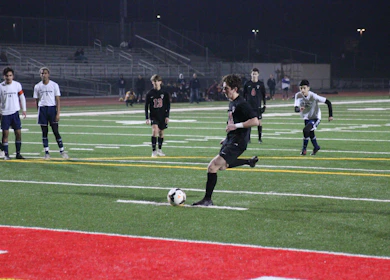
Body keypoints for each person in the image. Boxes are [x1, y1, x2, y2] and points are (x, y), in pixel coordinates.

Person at [192, 74, 259, 206]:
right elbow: (233, 123)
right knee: (222, 166)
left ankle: (207, 199)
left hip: (238, 142)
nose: (223, 91)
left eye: (226, 88)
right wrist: (227, 137)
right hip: (231, 139)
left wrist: (236, 126)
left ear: (234, 89)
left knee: (212, 167)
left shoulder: (242, 103)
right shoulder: (232, 103)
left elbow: (255, 121)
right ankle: (248, 161)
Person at [33, 67, 69, 160]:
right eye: (42, 73)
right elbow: (37, 101)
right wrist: (39, 112)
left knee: (56, 131)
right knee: (44, 132)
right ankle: (46, 152)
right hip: (42, 110)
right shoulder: (37, 86)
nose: (43, 75)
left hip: (52, 109)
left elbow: (58, 100)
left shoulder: (54, 85)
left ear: (48, 74)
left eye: (45, 73)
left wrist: (58, 113)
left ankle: (62, 151)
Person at [294, 79, 333, 156]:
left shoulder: (313, 96)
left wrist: (330, 115)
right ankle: (316, 147)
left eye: (304, 88)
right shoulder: (298, 95)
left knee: (306, 130)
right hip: (306, 117)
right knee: (310, 133)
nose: (302, 90)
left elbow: (328, 102)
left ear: (308, 88)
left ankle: (304, 150)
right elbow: (296, 108)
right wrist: (299, 109)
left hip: (315, 117)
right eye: (301, 88)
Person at [0, 67, 27, 160]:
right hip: (5, 113)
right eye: (7, 76)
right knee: (5, 134)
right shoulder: (0, 86)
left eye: (10, 75)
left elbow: (22, 97)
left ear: (13, 76)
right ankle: (6, 154)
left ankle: (18, 153)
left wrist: (24, 109)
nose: (8, 77)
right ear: (4, 76)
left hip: (15, 113)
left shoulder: (17, 85)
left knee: (18, 133)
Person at [145, 74, 171, 157]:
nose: (156, 83)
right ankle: (153, 151)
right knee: (154, 131)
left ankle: (159, 149)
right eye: (154, 81)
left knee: (161, 133)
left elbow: (168, 105)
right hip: (154, 115)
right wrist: (147, 117)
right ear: (152, 82)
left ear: (160, 82)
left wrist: (167, 116)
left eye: (157, 81)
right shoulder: (150, 93)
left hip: (162, 115)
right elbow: (146, 106)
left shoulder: (165, 93)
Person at [243, 68, 266, 143]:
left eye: (255, 74)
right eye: (253, 74)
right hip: (249, 106)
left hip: (258, 106)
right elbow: (244, 95)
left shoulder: (261, 84)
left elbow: (264, 95)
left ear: (258, 75)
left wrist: (264, 105)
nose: (254, 75)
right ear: (251, 74)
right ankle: (248, 138)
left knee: (259, 122)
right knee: (249, 122)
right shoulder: (247, 84)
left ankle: (259, 139)